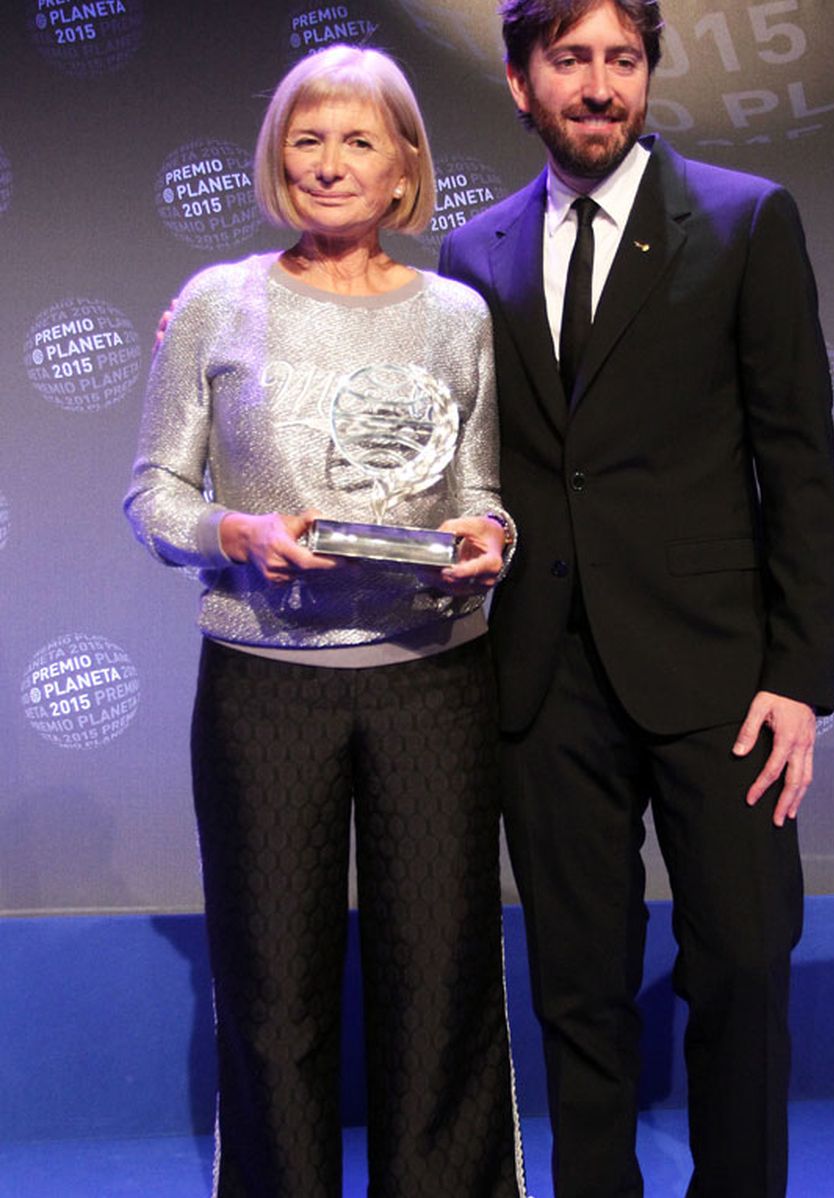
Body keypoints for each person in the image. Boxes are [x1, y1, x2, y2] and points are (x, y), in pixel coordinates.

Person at [438, 0, 834, 1195]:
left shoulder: (742, 218)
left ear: (650, 75)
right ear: (521, 82)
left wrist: (798, 678)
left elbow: (800, 462)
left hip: (721, 676)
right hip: (543, 674)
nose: (600, 85)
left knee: (742, 964)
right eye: (570, 61)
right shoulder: (473, 254)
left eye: (623, 59)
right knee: (577, 985)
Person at [126, 45, 524, 1198]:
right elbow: (156, 495)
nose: (330, 164)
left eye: (360, 140)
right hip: (265, 683)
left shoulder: (458, 314)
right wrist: (236, 535)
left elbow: (481, 493)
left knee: (439, 980)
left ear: (406, 166)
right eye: (307, 140)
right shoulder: (214, 303)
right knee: (272, 987)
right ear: (275, 160)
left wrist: (493, 543)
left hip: (433, 679)